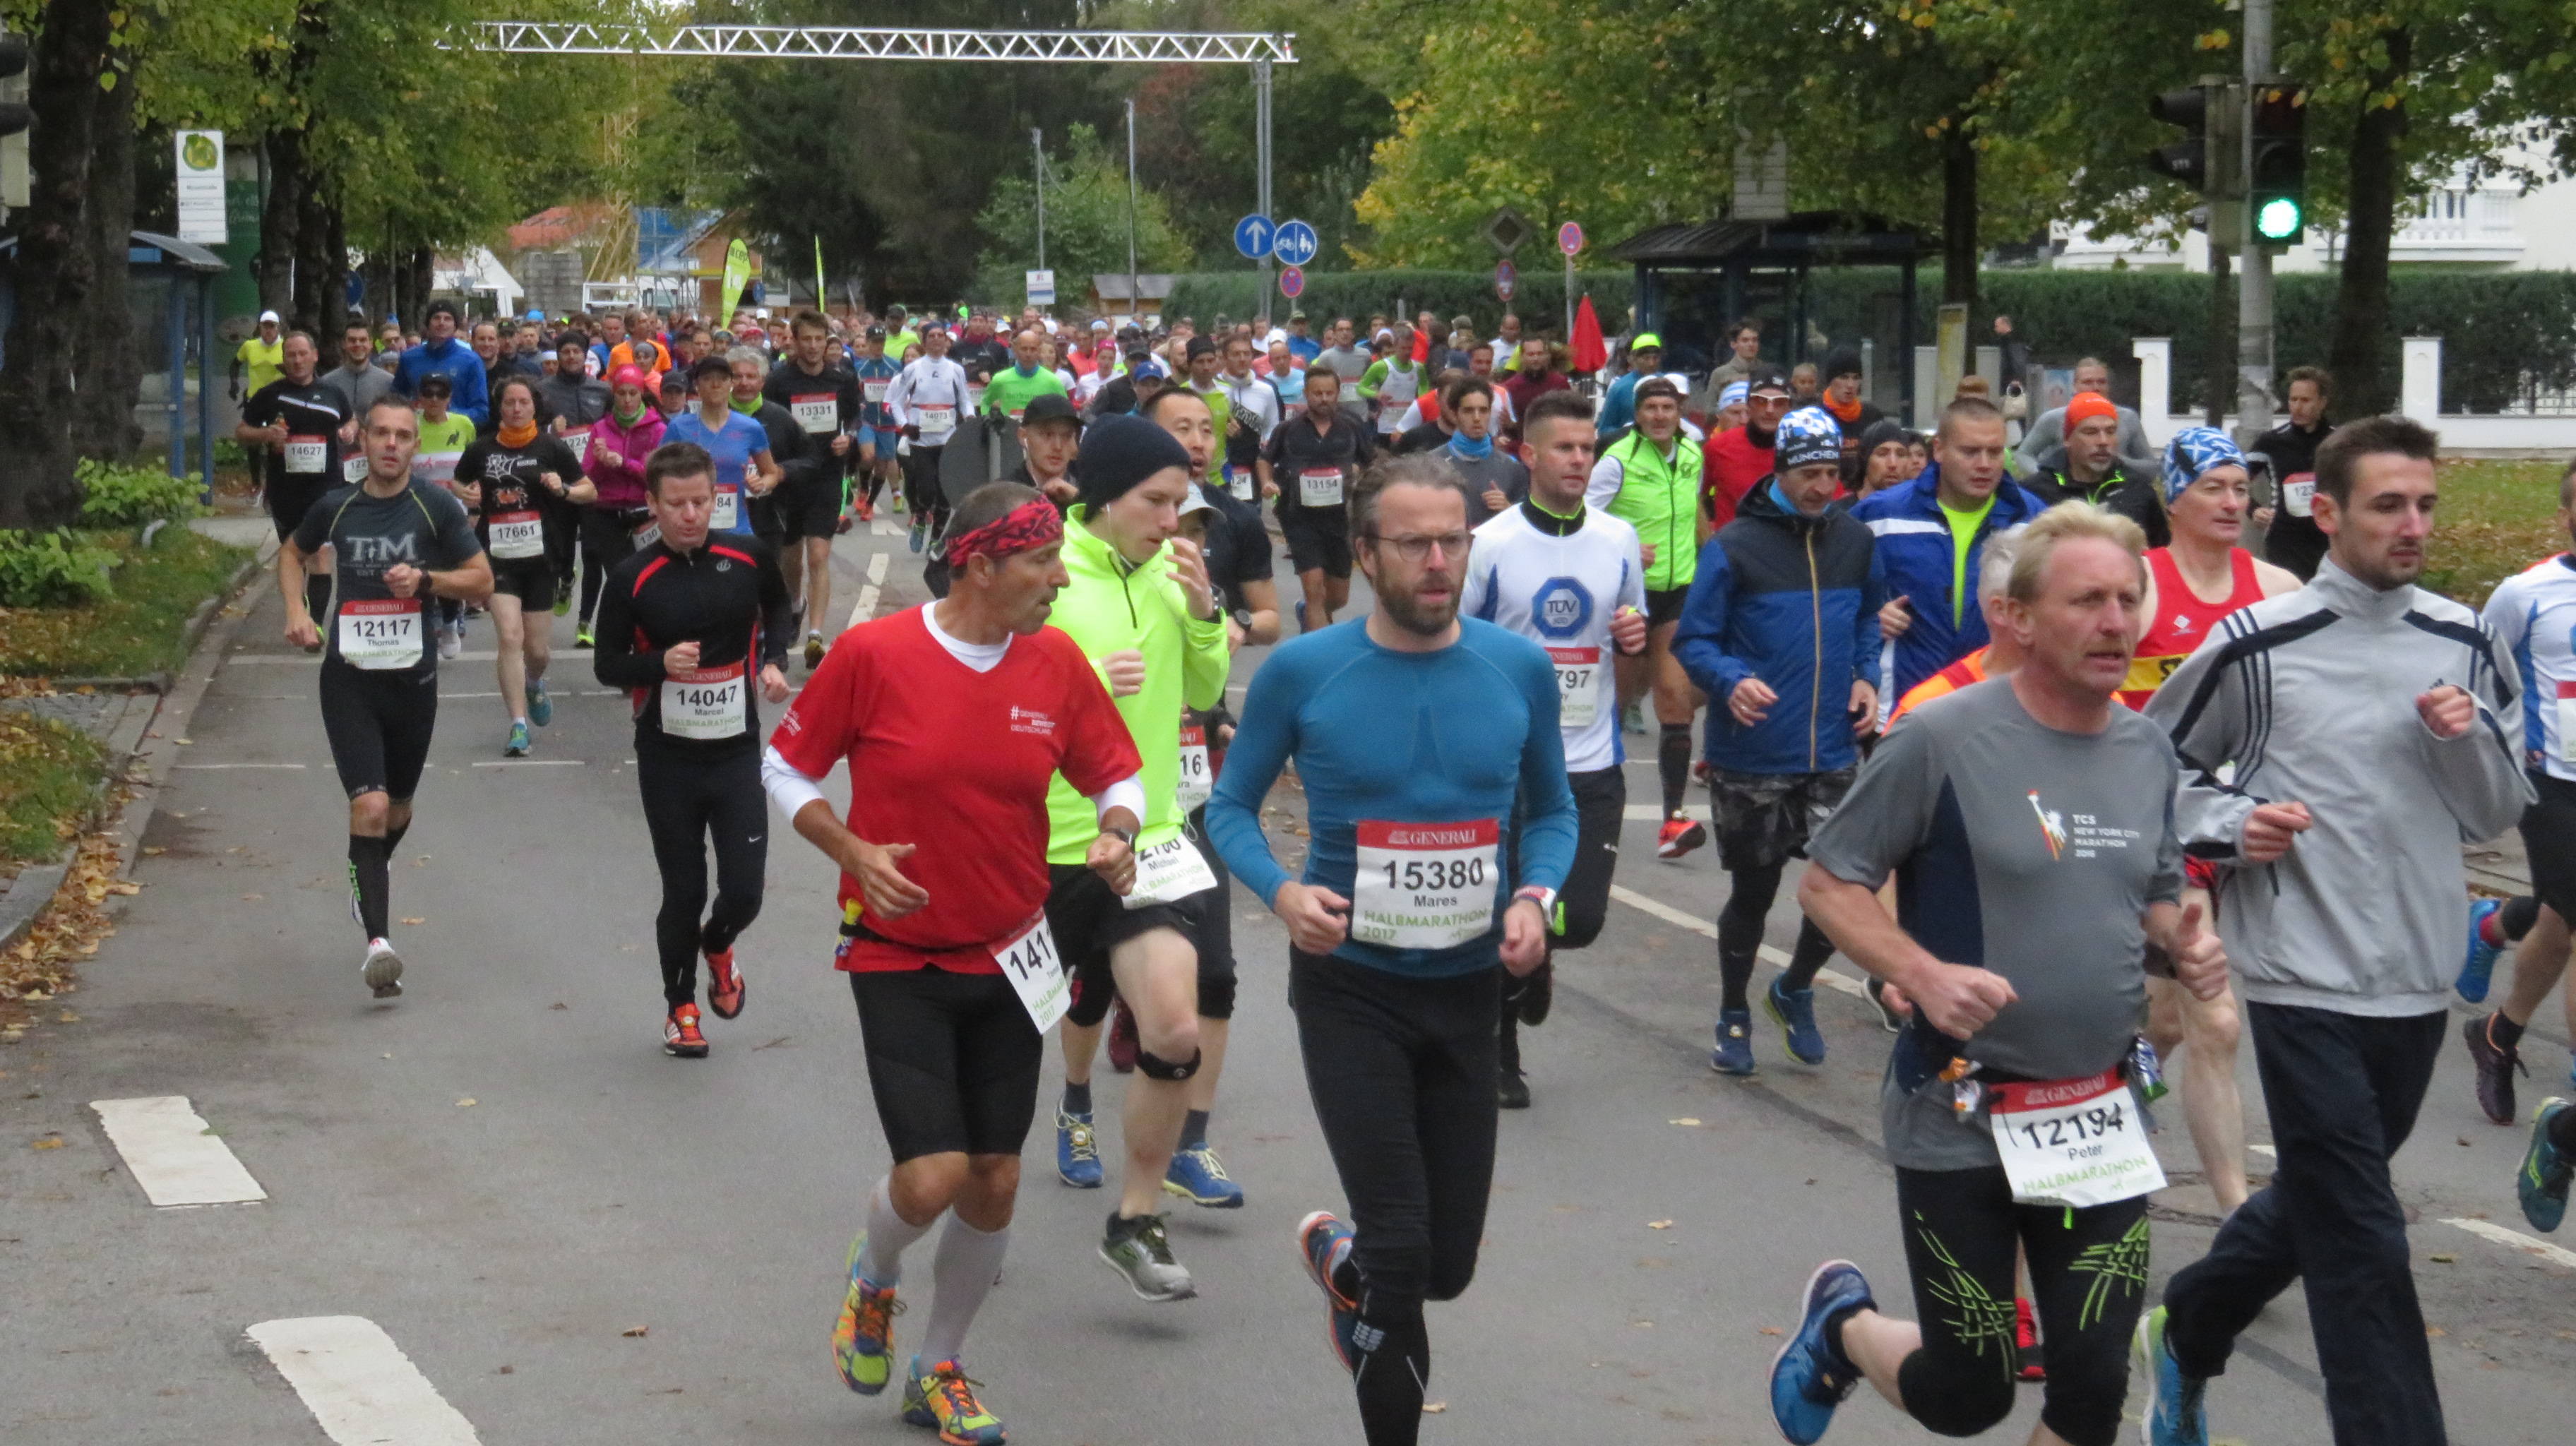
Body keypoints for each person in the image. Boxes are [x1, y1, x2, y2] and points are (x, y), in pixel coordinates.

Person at [1772, 500, 2223, 1446]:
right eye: (2087, 600)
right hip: (1961, 1109)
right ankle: (1845, 1329)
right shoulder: (1940, 736)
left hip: (2095, 1111)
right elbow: (1830, 883)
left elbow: (2152, 892)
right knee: (1970, 1392)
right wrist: (1922, 972)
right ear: (2017, 616)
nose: (2116, 621)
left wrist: (2184, 942)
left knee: (2091, 1391)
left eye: (2128, 599)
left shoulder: (2146, 748)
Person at [2136, 416, 2532, 1446]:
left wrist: (2466, 739)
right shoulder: (2257, 643)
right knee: (2362, 1232)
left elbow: (2496, 810)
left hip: (2415, 972)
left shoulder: (2464, 637)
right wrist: (2235, 823)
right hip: (2298, 972)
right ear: (2327, 513)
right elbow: (2148, 772)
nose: (2413, 525)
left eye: (2426, 505)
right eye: (2388, 505)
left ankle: (2188, 1324)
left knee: (2329, 1189)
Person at [765, 481, 1146, 1445]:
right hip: (897, 953)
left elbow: (1116, 768)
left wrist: (1117, 830)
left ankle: (939, 1366)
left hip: (1014, 954)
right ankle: (875, 1274)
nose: (1060, 579)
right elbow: (788, 764)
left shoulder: (1055, 661)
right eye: (1041, 562)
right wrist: (850, 849)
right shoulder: (876, 654)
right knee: (932, 1176)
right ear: (980, 566)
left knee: (996, 1177)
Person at [1206, 454, 1576, 1446]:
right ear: (1366, 554)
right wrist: (1284, 892)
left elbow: (1553, 810)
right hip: (1351, 991)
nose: (1438, 561)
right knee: (1407, 1255)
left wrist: (1535, 897)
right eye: (1414, 543)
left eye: (1452, 540)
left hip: (1468, 990)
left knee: (1443, 1267)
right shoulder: (1304, 671)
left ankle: (1347, 1267)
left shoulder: (1518, 667)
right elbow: (1230, 807)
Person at [1020, 415, 1230, 1300]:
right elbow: (994, 681)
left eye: (1181, 503)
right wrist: (1093, 681)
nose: (1173, 521)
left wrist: (1206, 614)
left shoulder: (1175, 572)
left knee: (1175, 1029)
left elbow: (1206, 691)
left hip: (1145, 841)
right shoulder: (1049, 568)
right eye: (1157, 501)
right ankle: (955, 1203)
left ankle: (1135, 1219)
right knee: (993, 1054)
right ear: (1107, 495)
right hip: (1039, 846)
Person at [2116, 428, 2301, 1223]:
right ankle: (2237, 1215)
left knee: (2165, 1017)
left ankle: (2110, 1092)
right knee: (2216, 1019)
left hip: (2243, 828)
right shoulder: (2139, 585)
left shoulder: (2279, 587)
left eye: (2240, 488)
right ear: (2173, 498)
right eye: (2213, 488)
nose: (2233, 503)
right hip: (2157, 825)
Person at [1676, 407, 1883, 1075]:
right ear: (1782, 471)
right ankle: (1733, 1011)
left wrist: (1865, 677)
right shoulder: (1735, 546)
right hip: (1754, 752)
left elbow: (1868, 621)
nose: (1824, 487)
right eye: (1810, 474)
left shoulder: (1855, 541)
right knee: (1755, 893)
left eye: (1832, 473)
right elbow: (1694, 640)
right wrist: (1731, 679)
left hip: (1833, 748)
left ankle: (1794, 987)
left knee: (1844, 889)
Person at [1463, 388, 1649, 1107]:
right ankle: (1501, 1054)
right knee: (1505, 911)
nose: (1580, 460)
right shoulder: (1492, 542)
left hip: (1592, 759)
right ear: (1530, 455)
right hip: (1509, 767)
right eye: (1566, 448)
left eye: (1588, 448)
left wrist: (1630, 643)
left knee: (1583, 919)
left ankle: (1537, 953)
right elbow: (1457, 643)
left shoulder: (1618, 539)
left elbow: (1629, 654)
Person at [278, 395, 493, 1000]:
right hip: (350, 678)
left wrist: (427, 580)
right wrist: (296, 610)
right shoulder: (336, 505)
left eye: (403, 435)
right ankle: (379, 943)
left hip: (413, 682)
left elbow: (482, 579)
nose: (392, 444)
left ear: (415, 447)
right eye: (382, 434)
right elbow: (292, 553)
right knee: (369, 808)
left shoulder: (435, 505)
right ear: (364, 441)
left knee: (396, 810)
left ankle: (366, 867)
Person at [591, 442, 790, 1056]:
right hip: (669, 757)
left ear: (715, 497)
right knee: (683, 890)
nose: (690, 515)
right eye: (676, 504)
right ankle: (680, 1009)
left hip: (735, 752)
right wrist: (658, 664)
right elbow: (606, 664)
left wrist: (775, 661)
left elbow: (778, 606)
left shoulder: (748, 555)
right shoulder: (632, 577)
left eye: (701, 501)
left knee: (745, 891)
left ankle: (720, 943)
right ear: (652, 504)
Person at [2460, 458, 2576, 1130]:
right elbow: (2479, 674)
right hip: (2550, 781)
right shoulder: (2524, 593)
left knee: (2559, 922)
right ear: (2565, 516)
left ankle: (2498, 1031)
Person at [1852, 396, 2047, 721]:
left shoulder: (2035, 521)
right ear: (1939, 450)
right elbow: (1828, 599)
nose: (1984, 464)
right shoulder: (1879, 514)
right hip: (1903, 709)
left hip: (2003, 713)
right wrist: (1871, 618)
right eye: (1970, 452)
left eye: (1995, 452)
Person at [1586, 378, 1710, 861]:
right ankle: (1585, 811)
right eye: (1651, 408)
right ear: (1637, 415)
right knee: (1611, 708)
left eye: (1667, 408)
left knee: (1675, 700)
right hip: (1627, 598)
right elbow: (1582, 518)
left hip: (1678, 591)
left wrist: (1712, 556)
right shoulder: (1617, 461)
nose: (1660, 416)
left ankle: (1673, 821)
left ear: (1680, 413)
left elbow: (1694, 512)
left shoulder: (1693, 454)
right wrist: (1626, 549)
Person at [450, 375, 592, 756]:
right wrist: (467, 493)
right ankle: (518, 725)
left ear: (534, 407)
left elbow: (588, 490)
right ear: (500, 407)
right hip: (497, 558)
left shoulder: (551, 447)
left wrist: (563, 488)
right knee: (510, 638)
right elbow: (458, 483)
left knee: (538, 650)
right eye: (509, 403)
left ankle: (534, 682)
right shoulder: (482, 449)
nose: (516, 409)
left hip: (541, 559)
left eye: (523, 403)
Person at [238, 330, 352, 630]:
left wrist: (350, 431)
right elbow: (242, 432)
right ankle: (299, 612)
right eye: (291, 355)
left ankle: (315, 625)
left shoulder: (333, 393)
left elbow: (350, 420)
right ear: (284, 359)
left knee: (321, 553)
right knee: (294, 555)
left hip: (325, 488)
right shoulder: (270, 395)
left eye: (303, 354)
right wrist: (266, 434)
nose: (298, 360)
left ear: (314, 356)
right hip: (285, 490)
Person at [1264, 366, 1375, 632]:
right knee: (1314, 591)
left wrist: (1363, 481)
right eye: (1317, 393)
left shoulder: (1351, 426)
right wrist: (1267, 481)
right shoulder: (1288, 429)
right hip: (1300, 518)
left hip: (1341, 519)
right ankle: (1317, 646)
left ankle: (1309, 613)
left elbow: (1371, 461)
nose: (1323, 399)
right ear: (1306, 394)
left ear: (1338, 393)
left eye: (1329, 393)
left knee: (1337, 597)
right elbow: (1265, 459)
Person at [575, 366, 664, 649]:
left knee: (650, 576)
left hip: (644, 513)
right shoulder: (601, 428)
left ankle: (650, 635)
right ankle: (624, 639)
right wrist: (602, 462)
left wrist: (624, 463)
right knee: (621, 577)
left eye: (633, 393)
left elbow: (657, 475)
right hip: (607, 513)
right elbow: (587, 476)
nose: (627, 400)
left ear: (642, 394)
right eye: (621, 393)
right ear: (613, 395)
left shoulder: (657, 428)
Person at [2027, 392, 2168, 549]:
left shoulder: (2138, 489)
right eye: (2091, 432)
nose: (2103, 441)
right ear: (2067, 439)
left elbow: (2159, 552)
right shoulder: (2035, 491)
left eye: (2111, 432)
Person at [664, 354, 780, 542]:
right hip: (690, 528)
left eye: (722, 379)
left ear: (731, 384)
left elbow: (771, 473)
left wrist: (761, 484)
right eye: (708, 379)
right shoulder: (679, 427)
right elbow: (658, 474)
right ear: (697, 385)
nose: (715, 385)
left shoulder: (750, 427)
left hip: (736, 530)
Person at [888, 324, 973, 568]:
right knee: (926, 488)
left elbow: (965, 400)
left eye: (940, 336)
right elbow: (896, 403)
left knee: (944, 493)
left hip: (947, 437)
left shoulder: (955, 369)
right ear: (924, 342)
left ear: (946, 341)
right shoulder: (913, 369)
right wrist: (905, 425)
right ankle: (920, 518)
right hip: (921, 438)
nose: (936, 340)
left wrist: (969, 418)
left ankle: (936, 539)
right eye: (932, 336)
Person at [2248, 365, 2337, 580]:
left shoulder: (2340, 442)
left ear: (2322, 402)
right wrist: (2253, 510)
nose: (2297, 407)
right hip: (2284, 541)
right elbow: (2236, 481)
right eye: (2293, 400)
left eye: (2305, 400)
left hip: (2330, 542)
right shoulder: (2271, 442)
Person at [2012, 357, 2154, 480]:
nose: (2096, 387)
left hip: (2115, 490)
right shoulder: (2054, 419)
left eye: (2101, 382)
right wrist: (2047, 479)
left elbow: (2152, 466)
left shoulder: (2128, 417)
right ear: (2074, 386)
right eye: (2088, 382)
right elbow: (2024, 454)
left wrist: (2119, 461)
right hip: (2067, 492)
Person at [1702, 367, 1794, 533]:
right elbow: (1692, 498)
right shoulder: (1718, 447)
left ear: (1789, 408)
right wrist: (1708, 539)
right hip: (1731, 545)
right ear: (1749, 405)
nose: (1769, 410)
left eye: (1779, 402)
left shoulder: (1800, 447)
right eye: (1761, 401)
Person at [1439, 376, 1528, 527]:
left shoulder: (1512, 467)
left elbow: (1526, 525)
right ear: (1455, 414)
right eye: (1468, 411)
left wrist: (1508, 509)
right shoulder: (1433, 464)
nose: (1477, 418)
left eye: (1483, 410)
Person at [391, 300, 491, 429]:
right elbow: (395, 401)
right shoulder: (409, 358)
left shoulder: (471, 361)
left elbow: (481, 412)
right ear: (428, 324)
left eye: (448, 319)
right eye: (436, 318)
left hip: (456, 436)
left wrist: (443, 413)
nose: (442, 323)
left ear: (455, 326)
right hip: (417, 435)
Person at [850, 325, 905, 522]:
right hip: (867, 419)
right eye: (874, 342)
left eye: (881, 342)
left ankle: (870, 503)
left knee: (882, 466)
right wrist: (858, 403)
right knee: (868, 456)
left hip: (888, 423)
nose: (878, 346)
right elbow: (853, 392)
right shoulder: (859, 367)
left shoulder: (895, 366)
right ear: (868, 343)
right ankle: (863, 488)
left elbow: (902, 391)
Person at [318, 319, 393, 449]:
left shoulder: (388, 382)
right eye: (352, 340)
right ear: (344, 344)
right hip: (337, 454)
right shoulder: (327, 383)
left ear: (371, 344)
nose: (357, 344)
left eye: (363, 340)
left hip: (375, 454)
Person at [1814, 349, 1885, 472]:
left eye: (1856, 378)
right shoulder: (1815, 416)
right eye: (1844, 377)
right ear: (1830, 380)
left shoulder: (1872, 416)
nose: (1851, 385)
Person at [1006, 393, 1081, 508]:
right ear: (1023, 436)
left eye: (1067, 436)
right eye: (1047, 435)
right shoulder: (1005, 495)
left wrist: (1079, 501)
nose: (1058, 446)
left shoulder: (1088, 489)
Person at [1357, 323, 1426, 441]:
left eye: (1410, 348)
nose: (1407, 352)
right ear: (1395, 346)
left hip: (1409, 423)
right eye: (1403, 348)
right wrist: (1376, 395)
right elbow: (1361, 388)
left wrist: (1421, 401)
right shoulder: (1381, 366)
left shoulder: (1419, 368)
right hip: (1387, 424)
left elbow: (1424, 386)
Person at [1594, 332, 1663, 438]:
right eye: (1646, 358)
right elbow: (1604, 429)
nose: (1651, 363)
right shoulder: (1620, 388)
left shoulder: (1667, 384)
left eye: (1655, 358)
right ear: (1633, 359)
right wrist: (1629, 433)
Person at [1499, 336, 1570, 434]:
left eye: (1540, 354)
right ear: (1522, 357)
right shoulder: (1509, 388)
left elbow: (1570, 417)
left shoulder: (1560, 384)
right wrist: (1512, 426)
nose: (1536, 359)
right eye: (1531, 354)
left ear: (1547, 356)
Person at [231, 309, 285, 407]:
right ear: (260, 328)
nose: (268, 330)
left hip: (278, 401)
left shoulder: (286, 346)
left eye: (272, 326)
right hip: (254, 400)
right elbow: (235, 364)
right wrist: (234, 382)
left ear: (278, 328)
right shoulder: (249, 346)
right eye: (265, 326)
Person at [1855, 418, 1919, 498]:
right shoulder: (1844, 507)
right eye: (1882, 454)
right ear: (1865, 459)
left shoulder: (1919, 506)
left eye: (1901, 455)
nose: (1893, 464)